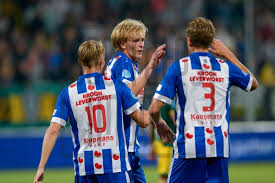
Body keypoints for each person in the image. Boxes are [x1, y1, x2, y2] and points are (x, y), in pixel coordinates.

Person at [149, 17, 258, 183]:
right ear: (211, 41)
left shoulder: (179, 67)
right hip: (218, 149)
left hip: (188, 147)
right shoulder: (225, 67)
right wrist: (228, 53)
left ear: (189, 40)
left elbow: (154, 109)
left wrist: (159, 124)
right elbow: (253, 83)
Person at [33, 40, 152, 183]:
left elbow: (52, 131)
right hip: (115, 167)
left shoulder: (68, 93)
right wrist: (158, 113)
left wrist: (41, 166)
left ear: (80, 61)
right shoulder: (117, 87)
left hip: (85, 169)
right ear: (101, 61)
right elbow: (143, 120)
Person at [104, 18, 171, 183]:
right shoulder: (123, 63)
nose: (141, 44)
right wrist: (151, 67)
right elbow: (129, 93)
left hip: (129, 150)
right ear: (122, 44)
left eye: (142, 40)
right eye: (136, 40)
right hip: (120, 149)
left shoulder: (129, 65)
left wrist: (157, 122)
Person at [149, 103, 175, 183]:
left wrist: (152, 144)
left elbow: (151, 122)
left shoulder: (155, 101)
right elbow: (175, 120)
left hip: (160, 142)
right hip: (168, 143)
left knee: (165, 175)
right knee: (166, 176)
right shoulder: (171, 103)